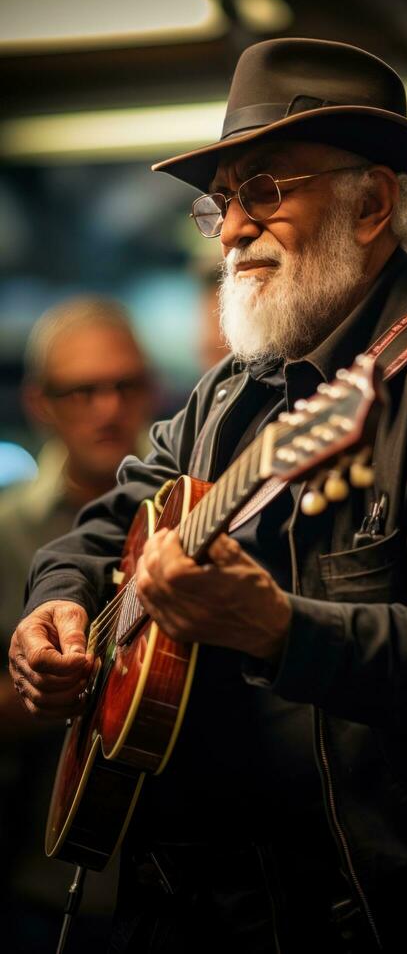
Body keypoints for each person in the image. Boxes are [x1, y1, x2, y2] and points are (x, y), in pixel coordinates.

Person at [8, 38, 407, 954]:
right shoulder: (228, 392)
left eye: (265, 190)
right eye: (222, 201)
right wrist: (53, 605)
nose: (229, 230)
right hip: (183, 907)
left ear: (371, 203)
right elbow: (104, 523)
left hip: (364, 923)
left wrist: (280, 631)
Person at [0, 295, 153, 951]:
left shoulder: (185, 511)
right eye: (81, 391)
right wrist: (56, 690)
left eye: (125, 386)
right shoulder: (8, 531)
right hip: (34, 872)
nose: (107, 409)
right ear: (41, 403)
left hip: (168, 883)